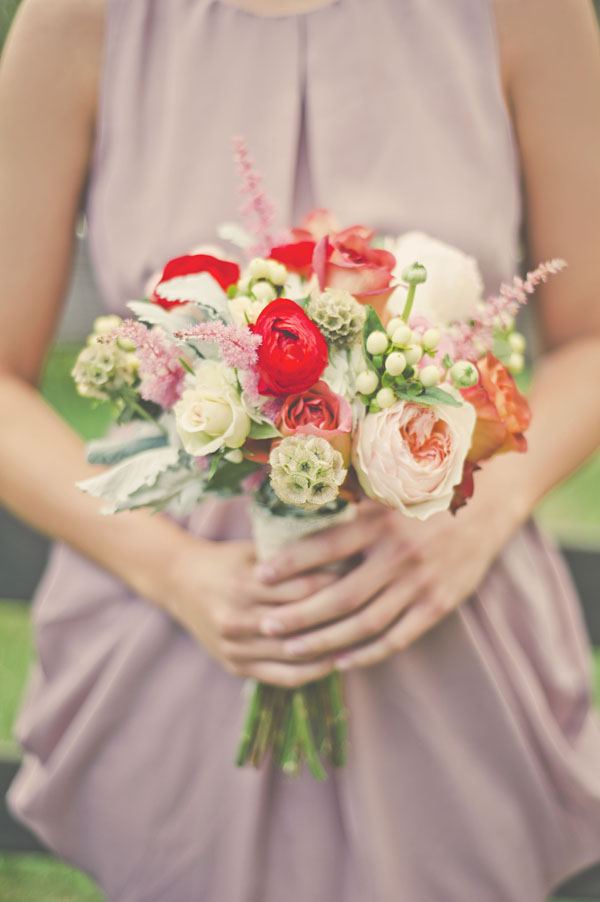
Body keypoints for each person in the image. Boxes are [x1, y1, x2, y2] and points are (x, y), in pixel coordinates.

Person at [1, 0, 600, 899]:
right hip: (178, 641)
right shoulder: (79, 19)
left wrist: (486, 517)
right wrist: (171, 570)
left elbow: (591, 339)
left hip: (446, 628)